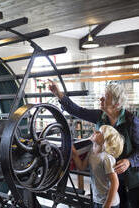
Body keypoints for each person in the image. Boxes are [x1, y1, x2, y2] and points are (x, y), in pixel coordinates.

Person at [48, 80, 139, 208]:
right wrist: (58, 94)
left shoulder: (132, 121)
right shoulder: (100, 116)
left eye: (105, 97)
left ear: (116, 104)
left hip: (129, 181)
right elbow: (78, 111)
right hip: (103, 181)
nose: (100, 98)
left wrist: (129, 161)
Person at [72, 125, 124, 208]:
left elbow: (115, 183)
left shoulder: (106, 158)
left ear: (105, 140)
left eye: (99, 132)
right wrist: (74, 154)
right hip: (97, 199)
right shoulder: (91, 152)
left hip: (110, 203)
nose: (94, 132)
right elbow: (82, 167)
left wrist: (107, 205)